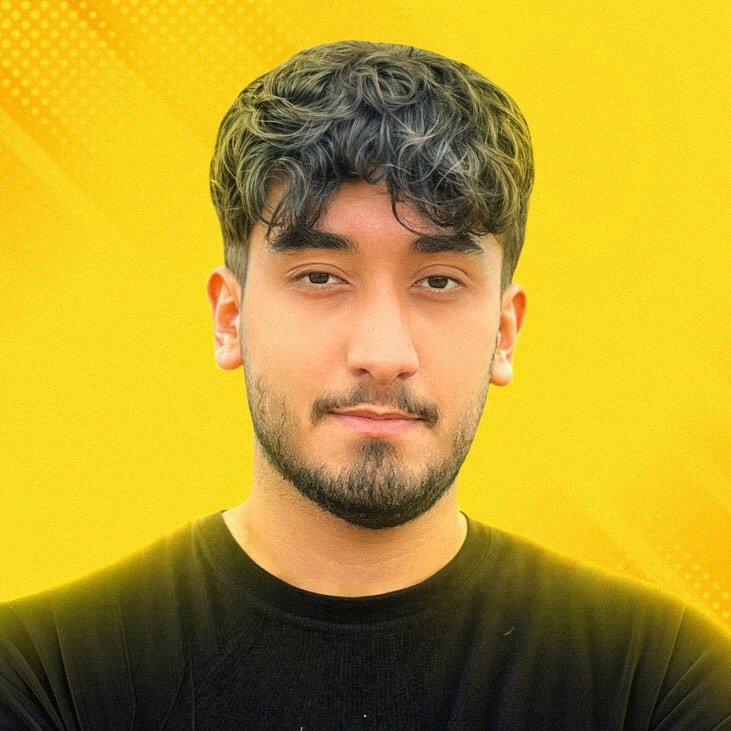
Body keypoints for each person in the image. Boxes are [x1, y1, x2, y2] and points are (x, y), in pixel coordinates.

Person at [0, 40, 728, 730]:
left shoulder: (658, 681)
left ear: (504, 333)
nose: (383, 354)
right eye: (320, 277)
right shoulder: (44, 678)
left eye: (438, 281)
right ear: (230, 318)